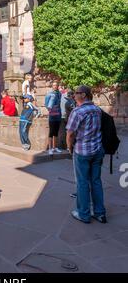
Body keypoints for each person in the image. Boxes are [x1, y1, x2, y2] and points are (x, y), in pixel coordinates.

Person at [66, 85, 106, 224]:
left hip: (83, 150)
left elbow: (70, 133)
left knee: (82, 182)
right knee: (96, 181)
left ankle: (84, 214)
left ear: (83, 95)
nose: (74, 95)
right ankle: (100, 213)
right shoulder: (97, 110)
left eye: (76, 93)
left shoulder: (77, 111)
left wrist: (69, 147)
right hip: (97, 149)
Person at [45, 81, 62, 155]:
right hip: (52, 115)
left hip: (58, 115)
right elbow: (46, 104)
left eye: (56, 85)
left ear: (58, 86)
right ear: (52, 86)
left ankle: (55, 147)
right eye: (54, 85)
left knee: (56, 132)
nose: (55, 86)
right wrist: (51, 110)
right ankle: (50, 149)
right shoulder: (49, 94)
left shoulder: (59, 94)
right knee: (51, 132)